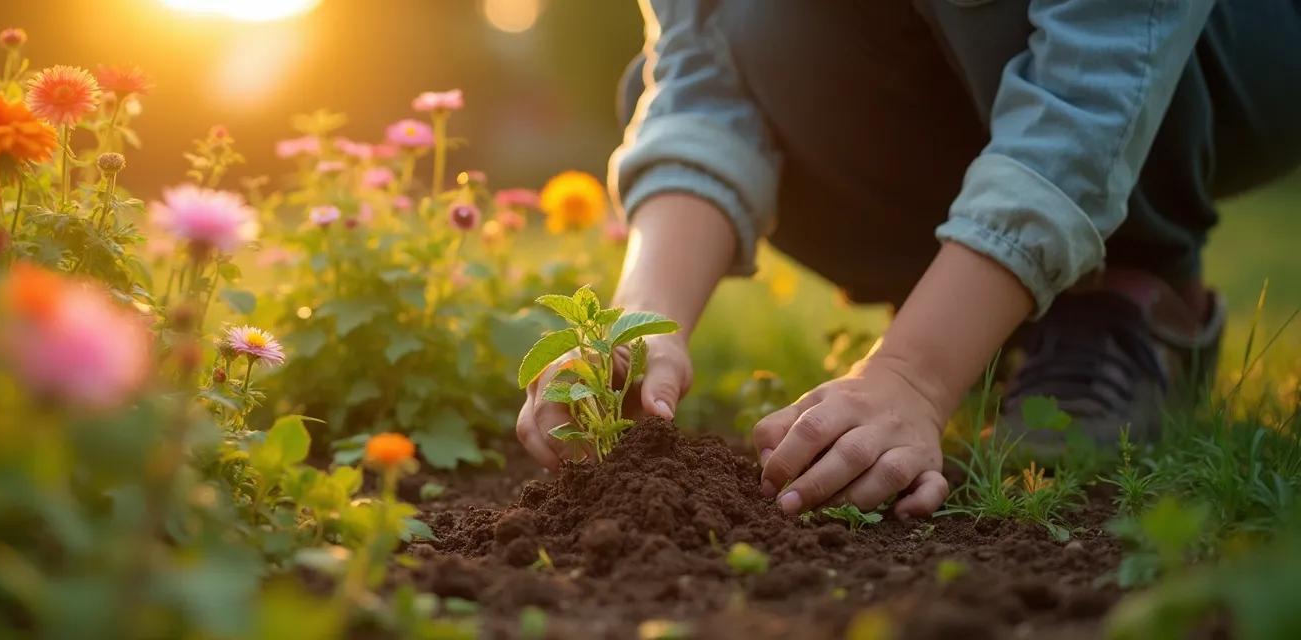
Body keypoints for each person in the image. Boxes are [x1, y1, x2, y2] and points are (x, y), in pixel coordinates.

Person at [516, 0, 1301, 519]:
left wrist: (914, 375)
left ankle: (1132, 295)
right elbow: (703, 78)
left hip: (1218, 39)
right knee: (753, 23)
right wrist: (642, 323)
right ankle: (976, 302)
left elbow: (1095, 82)